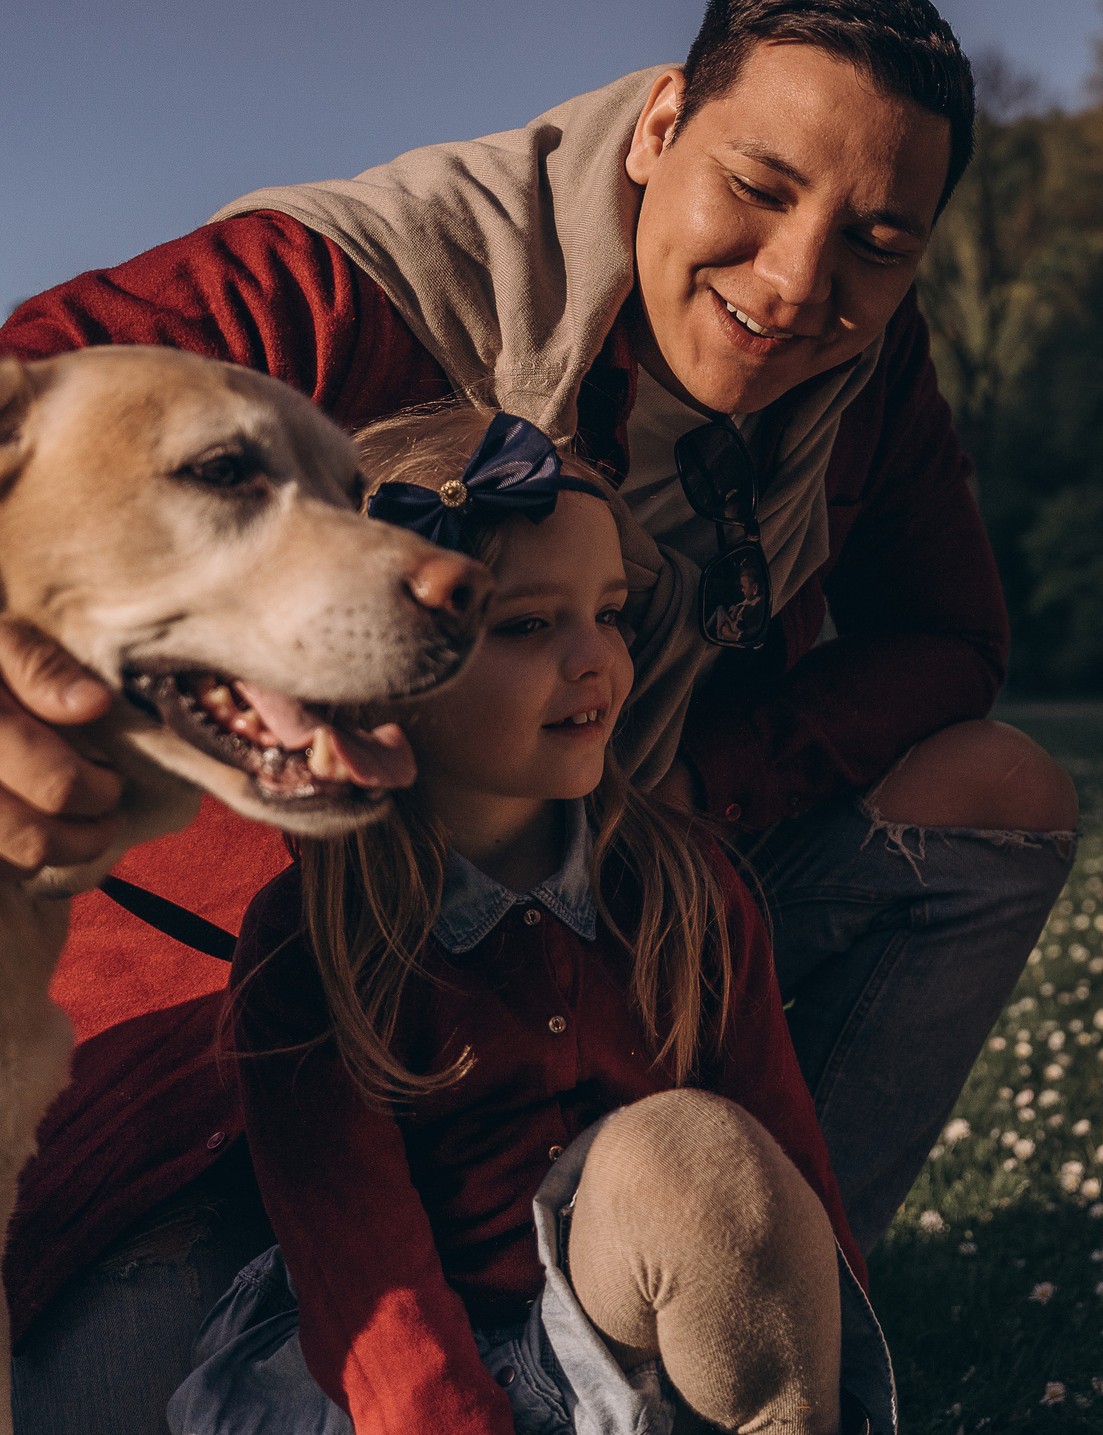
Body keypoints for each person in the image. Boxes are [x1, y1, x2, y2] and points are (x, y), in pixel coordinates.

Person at [0, 0, 1075, 1433]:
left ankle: (719, 1298)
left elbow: (952, 639)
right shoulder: (336, 284)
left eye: (877, 241)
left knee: (995, 794)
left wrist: (709, 787)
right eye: (758, 187)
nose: (796, 280)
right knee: (107, 1390)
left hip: (594, 924)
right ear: (655, 130)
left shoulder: (864, 375)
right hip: (270, 984)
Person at [172, 406, 888, 1435]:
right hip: (417, 1387)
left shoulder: (683, 890)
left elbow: (780, 1173)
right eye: (524, 625)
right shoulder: (312, 943)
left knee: (693, 1153)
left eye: (608, 614)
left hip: (644, 1344)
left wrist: (832, 1392)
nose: (595, 659)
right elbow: (367, 1279)